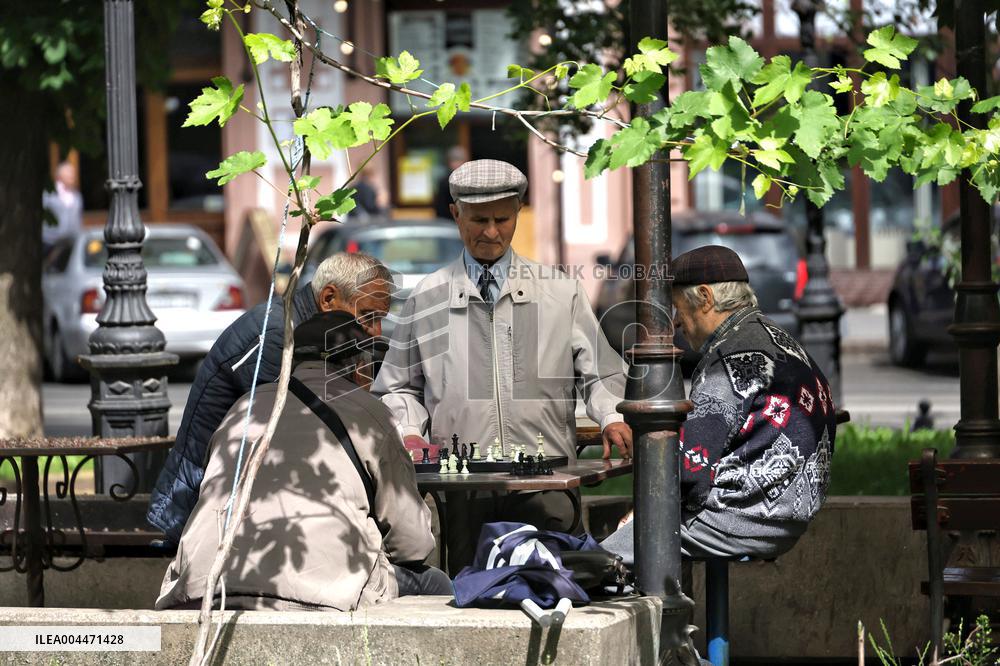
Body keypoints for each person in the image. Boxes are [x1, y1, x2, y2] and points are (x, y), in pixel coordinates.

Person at [373, 159, 631, 571]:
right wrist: (407, 429)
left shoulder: (560, 291)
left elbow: (601, 374)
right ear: (456, 214)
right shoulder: (427, 297)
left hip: (549, 481)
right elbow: (397, 386)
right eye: (478, 220)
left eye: (502, 219)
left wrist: (612, 415)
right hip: (462, 488)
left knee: (554, 592)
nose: (491, 232)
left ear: (518, 213)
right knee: (470, 599)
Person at [155, 310, 450, 610]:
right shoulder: (371, 415)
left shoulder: (242, 408)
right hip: (321, 592)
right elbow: (413, 545)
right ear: (359, 366)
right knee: (438, 585)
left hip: (202, 585)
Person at [602, 245, 837, 562]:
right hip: (786, 519)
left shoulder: (730, 358)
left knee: (602, 562)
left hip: (737, 520)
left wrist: (641, 513)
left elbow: (690, 475)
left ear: (704, 298)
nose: (675, 322)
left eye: (677, 307)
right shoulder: (776, 336)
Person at [147, 253, 394, 545]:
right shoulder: (278, 335)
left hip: (236, 500)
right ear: (328, 298)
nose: (376, 331)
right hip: (201, 511)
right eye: (368, 316)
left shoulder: (310, 333)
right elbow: (297, 437)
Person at [41, 161, 83, 254]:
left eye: (73, 173)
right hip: (49, 243)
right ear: (59, 176)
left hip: (71, 243)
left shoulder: (77, 195)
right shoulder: (48, 194)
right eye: (69, 173)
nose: (72, 176)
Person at [432, 146, 467, 219]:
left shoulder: (470, 180)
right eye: (454, 161)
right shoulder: (444, 182)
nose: (457, 164)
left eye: (459, 160)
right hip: (448, 222)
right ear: (449, 163)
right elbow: (440, 207)